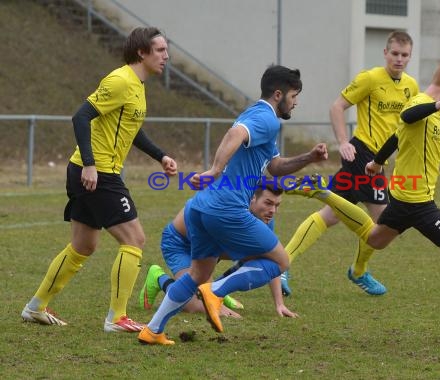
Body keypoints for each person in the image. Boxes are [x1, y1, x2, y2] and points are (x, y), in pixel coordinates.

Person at [286, 60, 440, 345]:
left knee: (374, 239)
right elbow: (407, 118)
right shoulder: (421, 103)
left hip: (403, 201)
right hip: (419, 205)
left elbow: (397, 136)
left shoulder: (429, 111)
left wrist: (378, 163)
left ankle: (322, 193)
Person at [137, 64, 328, 345]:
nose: (296, 102)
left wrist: (309, 157)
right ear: (279, 94)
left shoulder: (261, 120)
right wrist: (215, 170)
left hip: (202, 208)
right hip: (226, 207)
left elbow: (275, 167)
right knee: (280, 260)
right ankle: (215, 291)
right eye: (294, 95)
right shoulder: (266, 118)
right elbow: (235, 133)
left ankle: (153, 329)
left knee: (197, 274)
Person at [21, 27, 177, 333]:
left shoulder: (138, 85)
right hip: (97, 173)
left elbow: (132, 130)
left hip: (92, 171)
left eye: (165, 50)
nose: (166, 56)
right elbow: (81, 116)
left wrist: (160, 156)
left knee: (83, 246)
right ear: (141, 53)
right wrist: (90, 165)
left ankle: (35, 307)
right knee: (135, 239)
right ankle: (117, 318)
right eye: (159, 50)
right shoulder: (120, 80)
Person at [281, 30, 419, 296]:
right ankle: (357, 270)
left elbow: (411, 119)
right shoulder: (369, 78)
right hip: (362, 155)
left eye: (404, 55)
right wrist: (343, 142)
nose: (399, 59)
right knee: (385, 225)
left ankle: (282, 264)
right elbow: (337, 107)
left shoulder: (410, 86)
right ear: (385, 53)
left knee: (330, 215)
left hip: (379, 160)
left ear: (409, 56)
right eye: (395, 54)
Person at [139, 182, 298, 318]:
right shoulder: (225, 213)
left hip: (212, 249)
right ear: (252, 199)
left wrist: (279, 303)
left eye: (277, 205)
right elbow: (204, 254)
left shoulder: (265, 219)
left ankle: (219, 289)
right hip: (180, 244)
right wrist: (214, 302)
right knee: (192, 306)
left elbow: (273, 258)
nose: (273, 211)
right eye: (268, 203)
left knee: (263, 253)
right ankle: (159, 278)